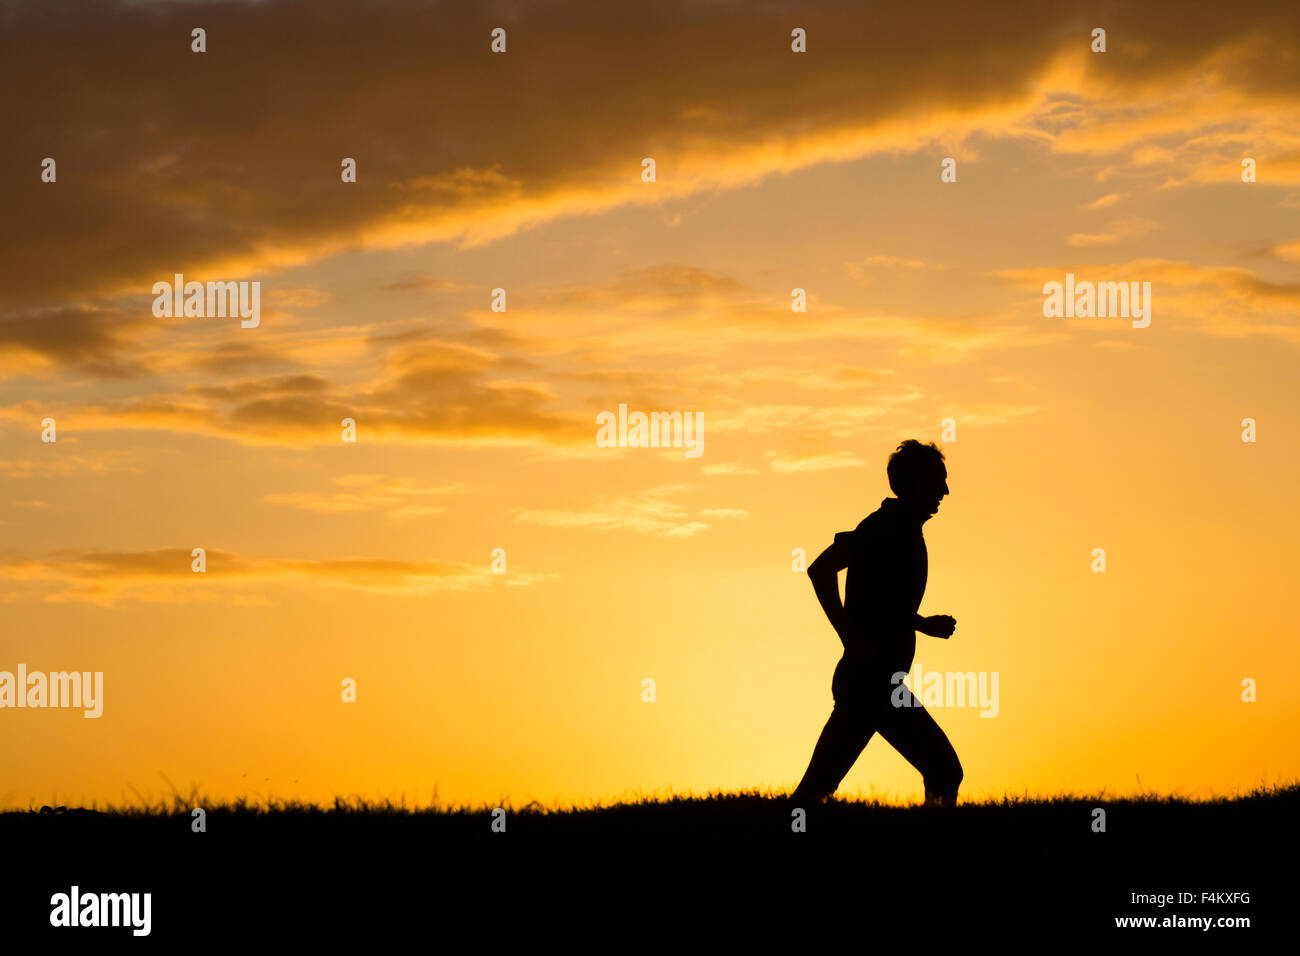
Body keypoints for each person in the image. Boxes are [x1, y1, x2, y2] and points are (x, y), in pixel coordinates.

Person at [790, 439, 964, 806]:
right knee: (944, 770)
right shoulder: (884, 527)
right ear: (915, 483)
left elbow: (880, 602)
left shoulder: (900, 528)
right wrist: (849, 636)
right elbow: (820, 569)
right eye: (938, 482)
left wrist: (920, 624)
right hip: (871, 683)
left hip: (874, 682)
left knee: (817, 786)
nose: (945, 491)